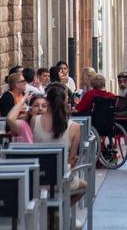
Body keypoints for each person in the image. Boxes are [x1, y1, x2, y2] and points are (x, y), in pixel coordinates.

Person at [31, 84, 88, 212]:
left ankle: (53, 212)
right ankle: (61, 210)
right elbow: (72, 161)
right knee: (84, 186)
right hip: (60, 179)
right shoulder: (74, 127)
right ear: (66, 101)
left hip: (37, 178)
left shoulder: (34, 121)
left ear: (47, 101)